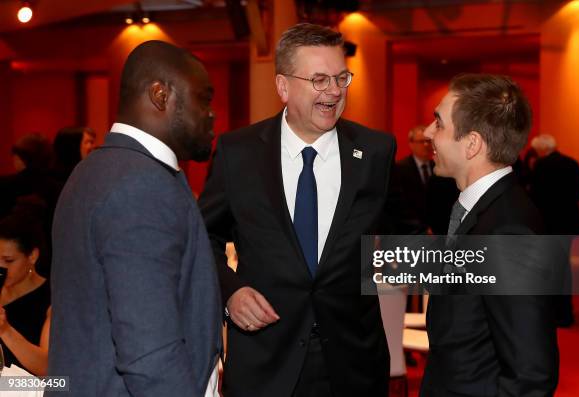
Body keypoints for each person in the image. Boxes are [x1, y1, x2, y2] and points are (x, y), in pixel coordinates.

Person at [199, 23, 394, 397]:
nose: (335, 91)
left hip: (354, 365)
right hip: (266, 363)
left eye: (341, 78)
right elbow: (202, 237)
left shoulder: (375, 152)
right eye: (319, 80)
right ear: (283, 87)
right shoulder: (237, 152)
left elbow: (411, 239)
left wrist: (510, 266)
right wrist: (230, 293)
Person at [47, 40, 222, 396]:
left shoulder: (97, 168)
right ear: (160, 95)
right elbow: (149, 353)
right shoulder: (140, 184)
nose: (211, 113)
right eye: (204, 98)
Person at [421, 74, 559, 397]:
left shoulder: (507, 230)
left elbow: (530, 375)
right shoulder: (484, 210)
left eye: (438, 123)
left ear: (472, 144)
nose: (428, 132)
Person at [531, 134, 579, 327]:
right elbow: (578, 194)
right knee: (564, 268)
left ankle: (555, 312)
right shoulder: (573, 163)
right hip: (567, 224)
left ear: (542, 150)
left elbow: (536, 197)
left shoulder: (541, 166)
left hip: (548, 225)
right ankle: (567, 312)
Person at [0, 213, 51, 376]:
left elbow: (48, 369)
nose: (0, 267)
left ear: (32, 256)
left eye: (8, 261)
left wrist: (5, 330)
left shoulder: (52, 298)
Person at [393, 125, 458, 234]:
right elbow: (398, 205)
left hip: (440, 231)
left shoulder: (442, 168)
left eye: (428, 141)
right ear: (411, 144)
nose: (426, 145)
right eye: (421, 142)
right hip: (409, 232)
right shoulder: (399, 169)